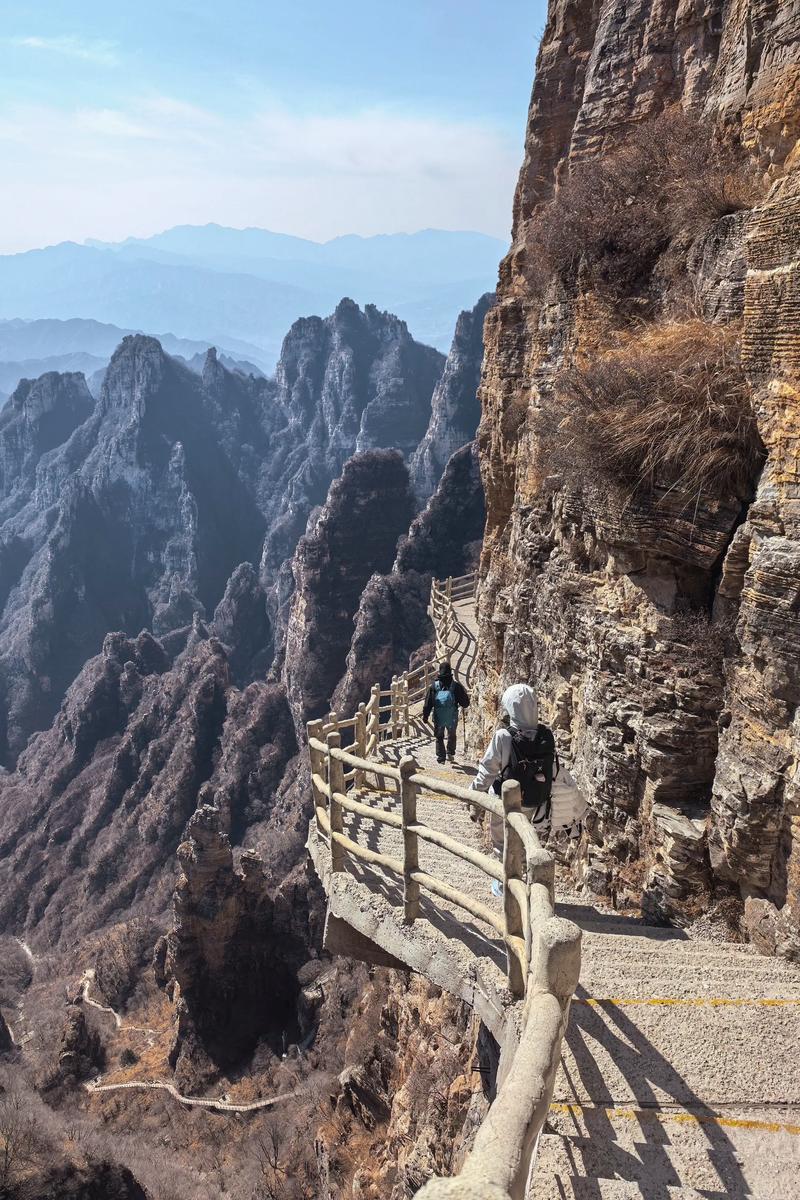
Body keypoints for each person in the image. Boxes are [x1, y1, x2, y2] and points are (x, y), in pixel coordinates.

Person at [469, 683, 557, 895]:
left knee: (502, 841)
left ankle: (506, 884)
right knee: (525, 837)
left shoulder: (504, 736)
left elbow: (487, 771)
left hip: (504, 800)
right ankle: (523, 880)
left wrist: (473, 794)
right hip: (533, 801)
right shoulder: (546, 736)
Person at [422, 661, 470, 763]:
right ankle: (450, 753)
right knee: (451, 734)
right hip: (452, 717)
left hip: (438, 716)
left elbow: (428, 703)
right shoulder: (456, 686)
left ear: (439, 672)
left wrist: (425, 716)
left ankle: (441, 757)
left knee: (439, 736)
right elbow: (465, 703)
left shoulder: (434, 687)